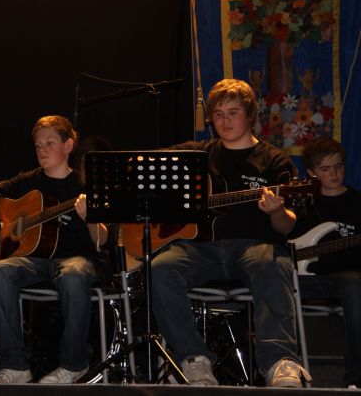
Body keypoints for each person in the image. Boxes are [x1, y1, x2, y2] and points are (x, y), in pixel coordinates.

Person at [151, 78, 310, 387]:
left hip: (254, 246)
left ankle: (279, 362)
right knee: (160, 268)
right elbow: (149, 165)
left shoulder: (274, 161)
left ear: (250, 115)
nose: (225, 121)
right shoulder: (198, 154)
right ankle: (193, 359)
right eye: (219, 114)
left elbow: (287, 226)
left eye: (233, 113)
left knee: (272, 263)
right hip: (200, 248)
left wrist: (276, 211)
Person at [0, 115, 108, 384]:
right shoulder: (29, 180)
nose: (42, 150)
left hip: (77, 260)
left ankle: (74, 364)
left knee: (72, 273)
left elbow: (103, 240)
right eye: (38, 145)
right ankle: (15, 365)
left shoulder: (84, 187)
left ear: (68, 146)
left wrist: (91, 218)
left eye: (49, 143)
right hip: (36, 261)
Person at [294, 138, 361, 388]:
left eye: (338, 166)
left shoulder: (357, 202)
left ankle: (356, 378)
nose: (334, 173)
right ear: (311, 172)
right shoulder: (303, 203)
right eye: (325, 168)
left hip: (345, 278)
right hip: (305, 278)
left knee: (354, 284)